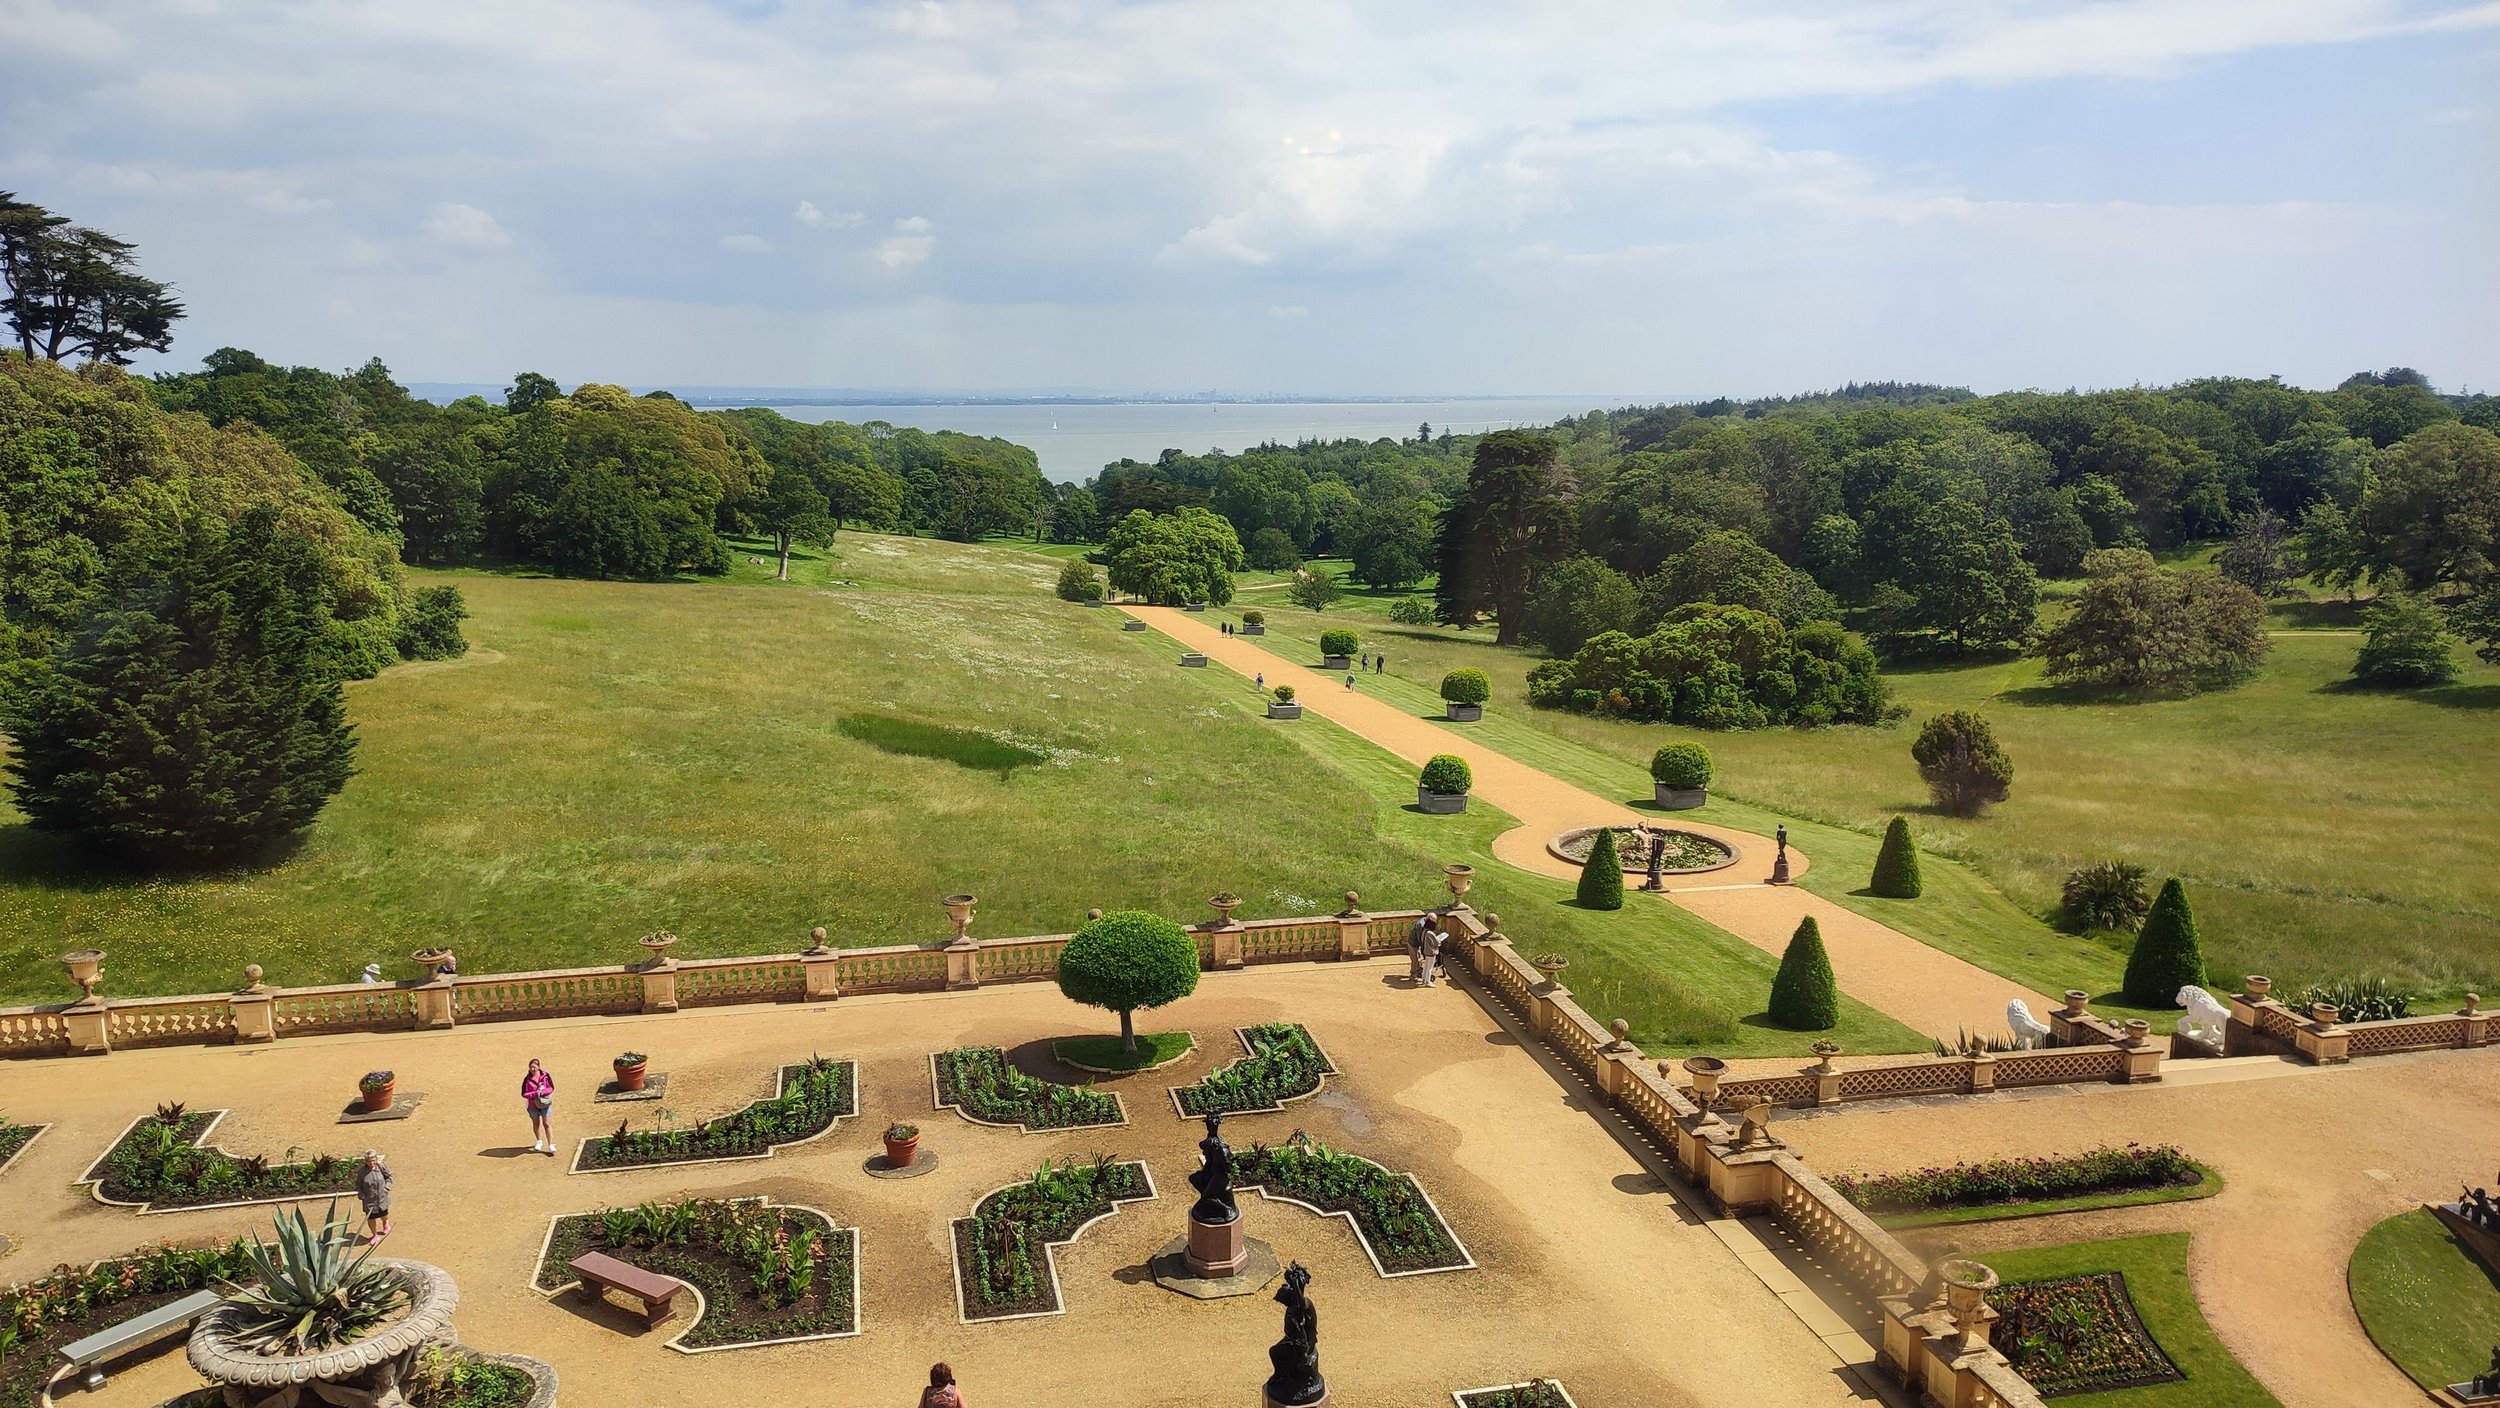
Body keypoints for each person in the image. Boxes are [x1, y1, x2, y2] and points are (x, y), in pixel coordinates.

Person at [356, 1150, 392, 1245]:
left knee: (384, 1215)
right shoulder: (362, 1172)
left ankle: (386, 1224)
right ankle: (374, 1235)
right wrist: (361, 1194)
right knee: (371, 1218)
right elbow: (358, 1185)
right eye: (369, 1161)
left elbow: (389, 1177)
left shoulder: (381, 1167)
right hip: (369, 1201)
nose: (371, 1163)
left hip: (382, 1198)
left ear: (376, 1159)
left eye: (373, 1160)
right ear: (365, 1161)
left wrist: (386, 1187)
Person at [522, 1058, 556, 1155]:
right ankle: (539, 1141)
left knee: (547, 1123)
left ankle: (551, 1145)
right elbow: (524, 1093)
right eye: (531, 1067)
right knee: (536, 1123)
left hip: (545, 1103)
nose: (532, 1069)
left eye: (534, 1067)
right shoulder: (527, 1079)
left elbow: (551, 1088)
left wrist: (542, 1093)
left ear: (539, 1067)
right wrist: (535, 1094)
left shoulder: (545, 1076)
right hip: (533, 1105)